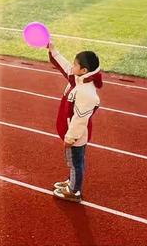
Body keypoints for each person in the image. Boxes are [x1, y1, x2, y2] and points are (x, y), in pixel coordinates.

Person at [48, 42, 102, 203]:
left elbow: (79, 120)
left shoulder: (86, 92)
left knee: (76, 162)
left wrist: (70, 138)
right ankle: (71, 180)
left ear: (84, 70)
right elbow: (65, 67)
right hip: (73, 133)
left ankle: (74, 190)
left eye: (75, 64)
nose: (72, 66)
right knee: (73, 162)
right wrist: (53, 49)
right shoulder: (79, 79)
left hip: (77, 136)